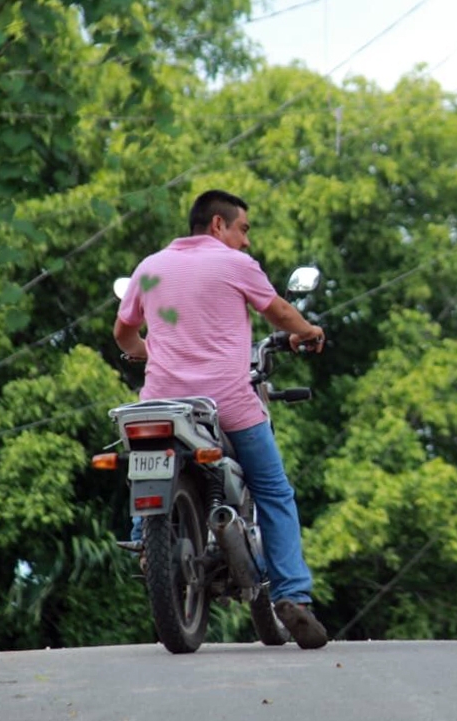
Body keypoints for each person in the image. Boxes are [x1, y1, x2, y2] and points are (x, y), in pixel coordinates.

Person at [113, 189, 329, 650]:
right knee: (274, 490)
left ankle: (147, 545)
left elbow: (123, 333)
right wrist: (308, 332)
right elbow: (280, 312)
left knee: (144, 465)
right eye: (243, 229)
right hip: (226, 403)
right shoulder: (235, 265)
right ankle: (293, 596)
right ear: (218, 225)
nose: (246, 242)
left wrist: (148, 354)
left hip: (160, 404)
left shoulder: (148, 268)